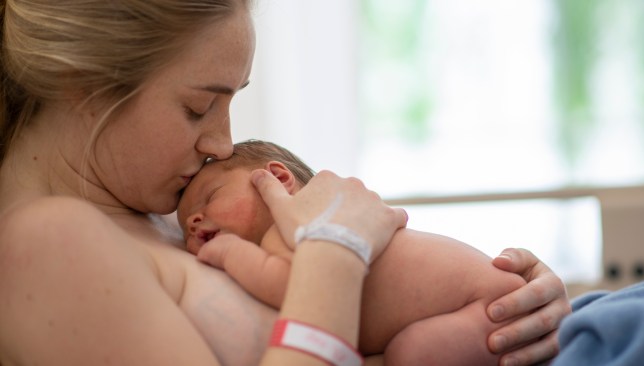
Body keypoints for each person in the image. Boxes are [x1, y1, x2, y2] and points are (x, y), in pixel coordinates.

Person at [0, 1, 570, 365]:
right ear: (87, 85)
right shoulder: (47, 248)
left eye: (231, 102)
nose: (221, 144)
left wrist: (514, 306)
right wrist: (335, 254)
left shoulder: (164, 211)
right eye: (198, 108)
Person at [176, 139, 530, 365]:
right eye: (183, 226)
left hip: (488, 305)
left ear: (278, 179)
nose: (193, 220)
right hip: (486, 301)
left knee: (413, 354)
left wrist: (230, 253)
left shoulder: (299, 223)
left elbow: (297, 287)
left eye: (210, 198)